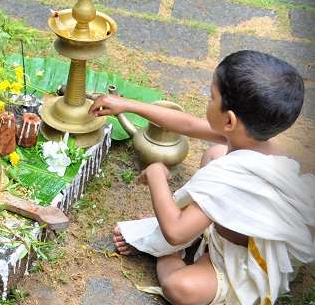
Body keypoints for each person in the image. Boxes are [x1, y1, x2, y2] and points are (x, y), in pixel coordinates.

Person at [88, 50, 314, 305]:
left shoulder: (231, 180)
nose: (206, 101)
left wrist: (156, 175)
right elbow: (187, 125)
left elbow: (175, 233)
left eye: (211, 97)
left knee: (180, 288)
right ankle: (187, 226)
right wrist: (127, 105)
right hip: (234, 226)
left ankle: (167, 253)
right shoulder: (253, 141)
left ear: (229, 121)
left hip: (240, 260)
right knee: (216, 153)